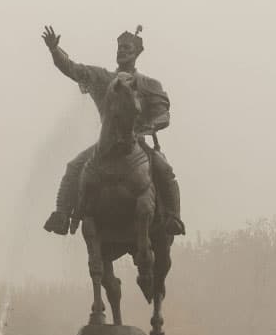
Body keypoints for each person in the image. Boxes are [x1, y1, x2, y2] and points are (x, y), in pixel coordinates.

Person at [40, 25, 184, 238]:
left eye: (126, 48)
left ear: (136, 53)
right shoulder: (102, 78)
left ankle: (172, 217)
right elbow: (73, 69)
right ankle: (62, 215)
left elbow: (164, 114)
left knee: (165, 170)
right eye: (119, 48)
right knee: (73, 167)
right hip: (105, 145)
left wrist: (149, 127)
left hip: (137, 143)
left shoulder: (149, 84)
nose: (121, 52)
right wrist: (55, 50)